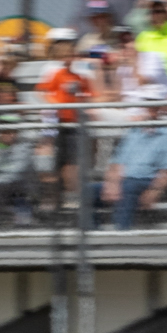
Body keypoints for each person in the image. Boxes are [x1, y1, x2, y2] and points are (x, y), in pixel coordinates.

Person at [92, 90, 167, 229]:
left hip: (146, 180)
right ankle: (92, 234)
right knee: (89, 191)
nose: (151, 108)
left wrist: (155, 191)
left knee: (127, 188)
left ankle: (121, 234)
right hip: (125, 180)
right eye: (149, 103)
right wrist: (112, 182)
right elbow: (117, 162)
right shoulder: (134, 131)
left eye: (155, 104)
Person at [36, 34, 95, 206]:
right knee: (60, 162)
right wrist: (54, 103)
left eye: (71, 55)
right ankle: (60, 196)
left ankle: (74, 196)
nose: (69, 59)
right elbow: (41, 91)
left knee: (72, 162)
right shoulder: (57, 75)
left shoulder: (80, 78)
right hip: (60, 123)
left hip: (74, 124)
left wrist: (83, 102)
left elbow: (88, 95)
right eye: (66, 56)